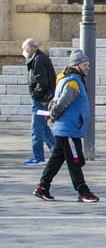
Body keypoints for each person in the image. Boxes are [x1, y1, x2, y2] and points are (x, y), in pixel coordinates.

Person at [33, 48, 99, 203]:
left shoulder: (69, 78)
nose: (88, 67)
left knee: (57, 159)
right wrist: (53, 115)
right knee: (75, 160)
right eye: (85, 65)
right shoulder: (73, 81)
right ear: (76, 65)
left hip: (67, 127)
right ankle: (83, 191)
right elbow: (63, 102)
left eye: (88, 64)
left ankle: (43, 187)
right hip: (69, 127)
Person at [22, 38, 56, 166]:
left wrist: (35, 95)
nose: (23, 51)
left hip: (41, 100)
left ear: (30, 48)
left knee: (37, 128)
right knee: (43, 127)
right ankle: (57, 151)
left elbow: (42, 83)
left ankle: (38, 157)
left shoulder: (39, 60)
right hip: (44, 99)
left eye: (24, 48)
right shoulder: (40, 58)